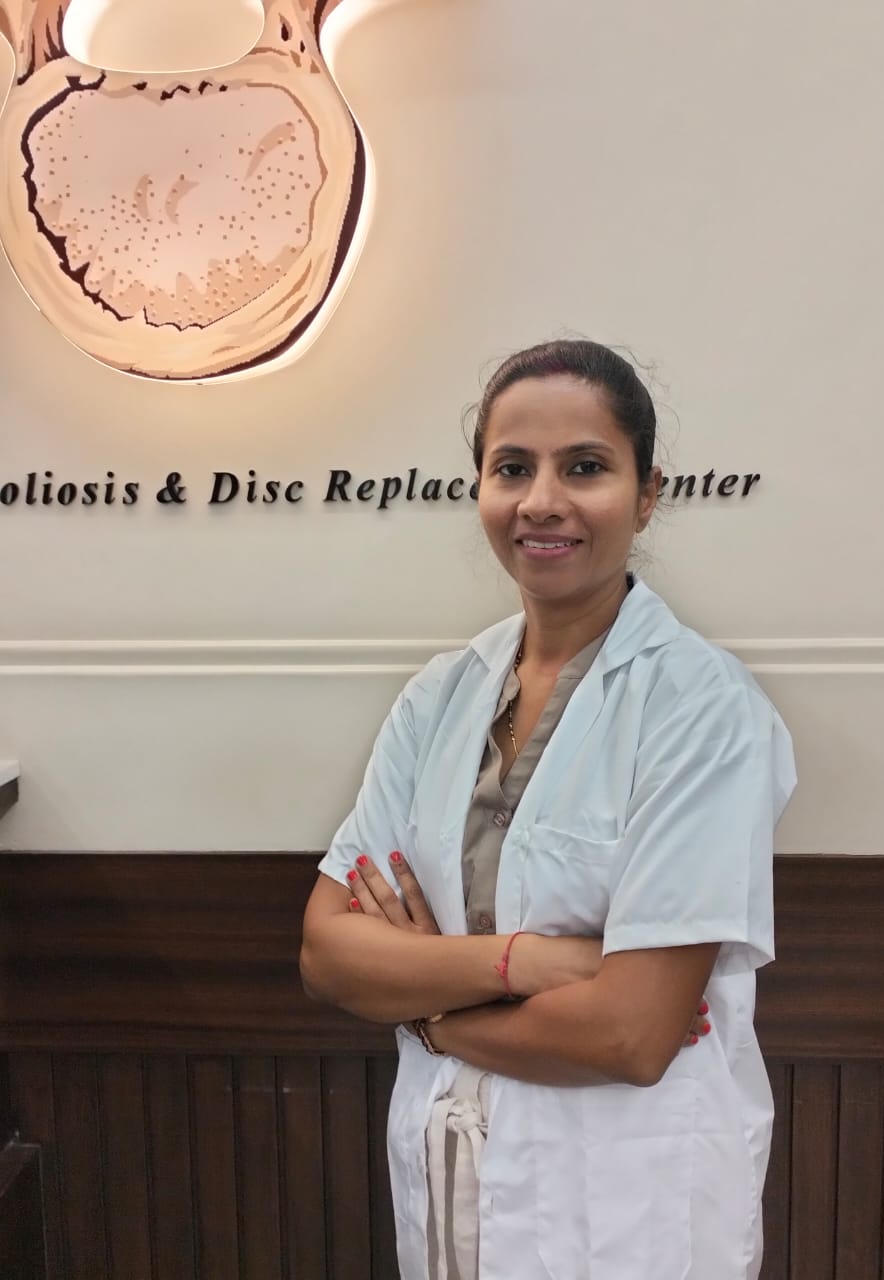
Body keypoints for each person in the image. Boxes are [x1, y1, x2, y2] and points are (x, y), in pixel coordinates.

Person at [300, 339, 796, 1280]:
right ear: (481, 488)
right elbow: (330, 953)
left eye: (585, 468)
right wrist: (523, 963)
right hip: (451, 1178)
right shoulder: (439, 697)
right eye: (512, 468)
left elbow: (630, 1033)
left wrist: (425, 1010)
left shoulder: (701, 709)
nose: (541, 501)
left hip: (628, 1208)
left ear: (647, 494)